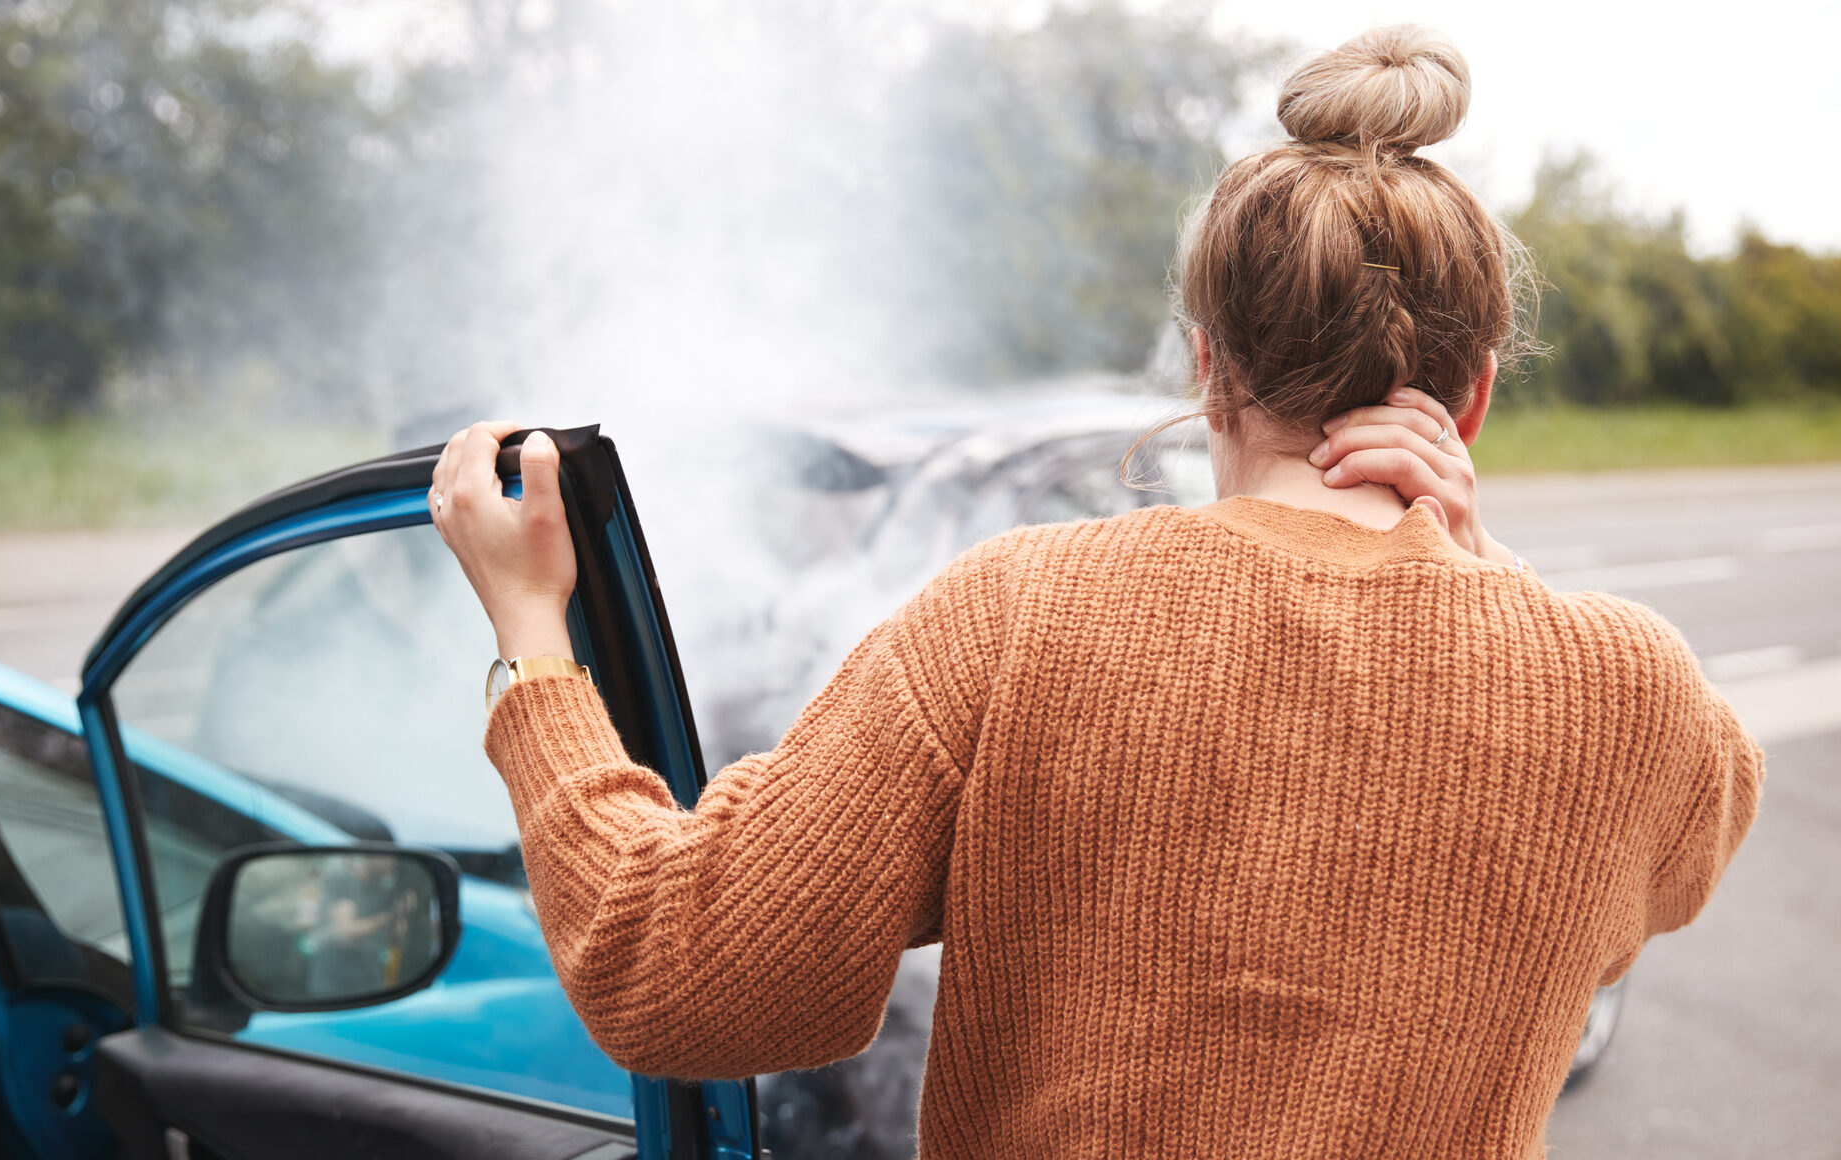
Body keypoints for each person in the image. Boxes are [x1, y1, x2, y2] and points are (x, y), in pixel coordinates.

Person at [432, 25, 1761, 1158]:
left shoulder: (1017, 615)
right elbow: (1690, 843)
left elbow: (679, 975)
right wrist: (1479, 570)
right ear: (1471, 397)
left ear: (1208, 371)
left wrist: (534, 642)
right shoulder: (1630, 692)